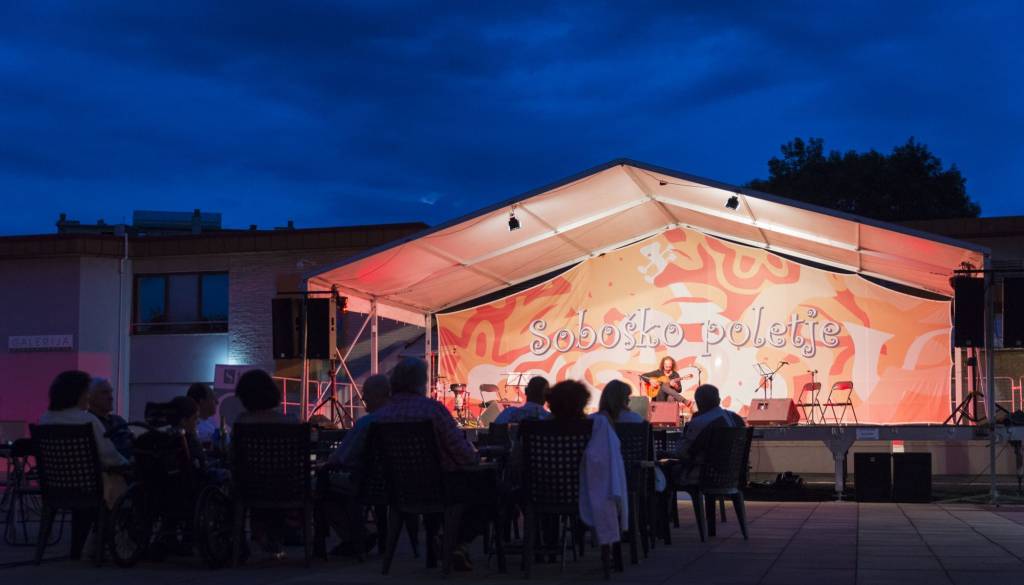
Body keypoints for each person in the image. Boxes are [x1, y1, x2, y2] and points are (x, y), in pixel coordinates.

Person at [374, 358, 479, 570]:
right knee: (488, 491)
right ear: (421, 383)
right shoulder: (433, 411)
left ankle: (446, 542)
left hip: (398, 491)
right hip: (440, 489)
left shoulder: (380, 416)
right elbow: (463, 454)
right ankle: (456, 543)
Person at [39, 371, 130, 559]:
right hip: (91, 487)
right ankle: (118, 540)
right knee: (126, 481)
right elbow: (109, 456)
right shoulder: (87, 420)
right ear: (78, 394)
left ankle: (82, 546)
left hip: (57, 487)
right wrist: (128, 463)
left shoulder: (45, 419)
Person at [546, 380, 628, 548]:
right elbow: (603, 465)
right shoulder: (596, 427)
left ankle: (544, 542)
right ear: (583, 403)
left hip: (543, 491)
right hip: (584, 491)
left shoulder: (537, 426)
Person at [230, 369, 299, 559]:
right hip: (288, 487)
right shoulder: (291, 422)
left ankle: (248, 539)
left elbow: (234, 458)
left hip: (250, 488)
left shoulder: (241, 423)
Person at [671, 384, 745, 484]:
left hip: (704, 476)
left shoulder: (699, 422)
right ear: (718, 400)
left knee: (666, 472)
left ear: (698, 403)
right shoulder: (736, 418)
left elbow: (681, 453)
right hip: (733, 477)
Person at [87, 377, 134, 459]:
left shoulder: (119, 420)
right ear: (91, 397)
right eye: (104, 393)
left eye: (110, 392)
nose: (111, 397)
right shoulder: (88, 423)